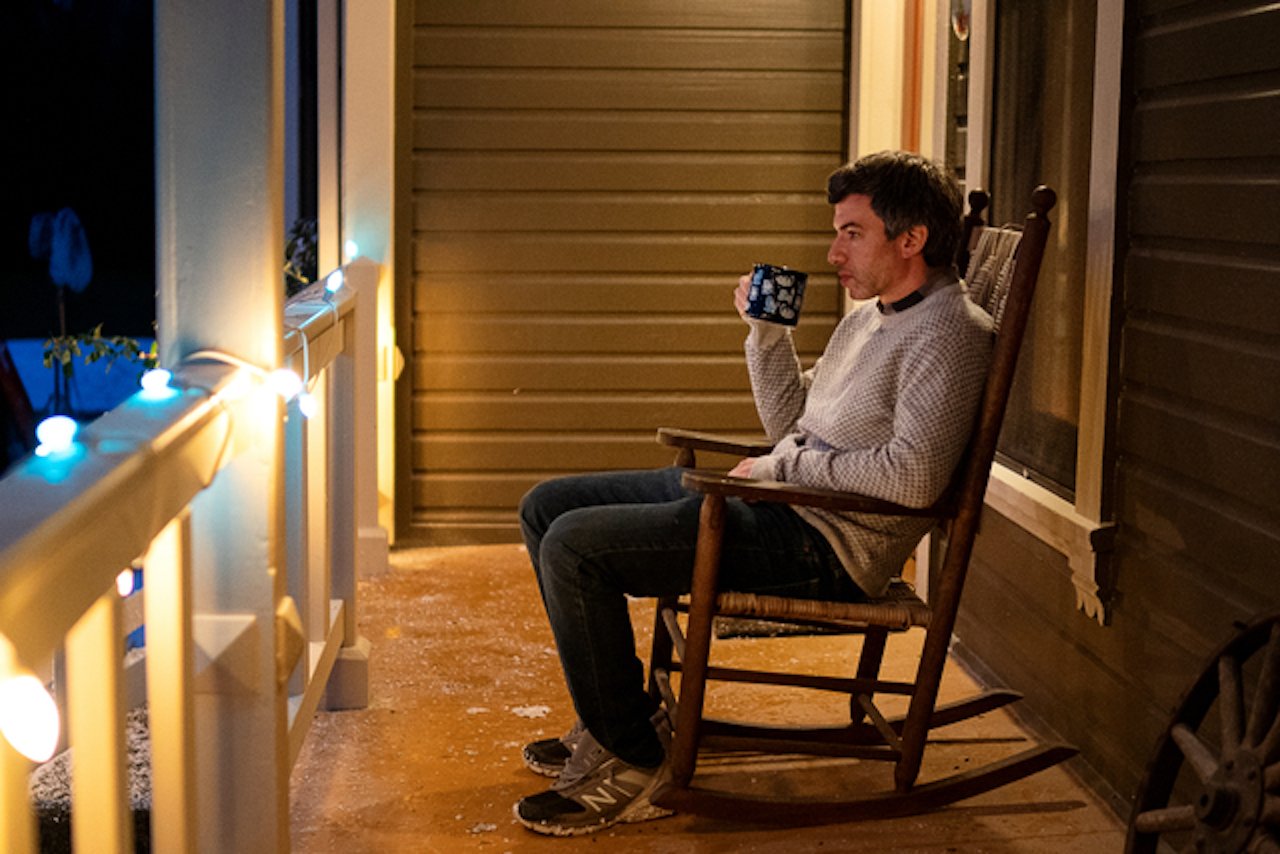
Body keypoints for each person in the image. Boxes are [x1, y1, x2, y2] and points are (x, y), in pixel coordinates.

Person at [513, 150, 994, 836]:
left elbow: (912, 479)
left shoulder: (949, 332)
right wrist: (767, 336)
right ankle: (619, 713)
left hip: (828, 544)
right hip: (780, 502)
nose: (833, 252)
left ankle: (631, 755)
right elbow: (792, 426)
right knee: (546, 506)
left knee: (575, 549)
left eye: (852, 233)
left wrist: (784, 471)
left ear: (911, 238)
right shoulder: (873, 314)